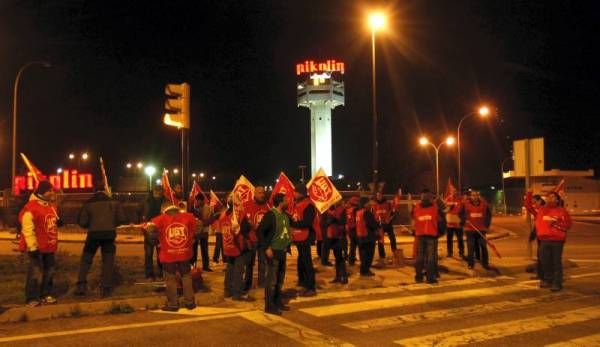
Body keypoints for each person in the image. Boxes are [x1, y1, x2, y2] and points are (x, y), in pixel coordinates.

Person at [76, 181, 126, 297]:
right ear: (106, 190)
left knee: (86, 259)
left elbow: (82, 222)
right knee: (108, 261)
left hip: (93, 234)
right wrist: (112, 223)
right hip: (109, 234)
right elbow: (122, 219)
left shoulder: (88, 203)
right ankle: (106, 288)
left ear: (94, 190)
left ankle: (81, 286)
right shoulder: (114, 202)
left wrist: (91, 224)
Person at [146, 202, 198, 311]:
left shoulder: (158, 220)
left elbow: (151, 234)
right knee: (186, 276)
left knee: (170, 278)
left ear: (163, 209)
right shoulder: (188, 217)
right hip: (184, 252)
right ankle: (190, 302)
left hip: (168, 253)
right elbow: (195, 230)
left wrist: (157, 243)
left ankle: (173, 304)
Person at [18, 181, 59, 307]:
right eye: (50, 190)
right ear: (42, 192)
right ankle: (31, 298)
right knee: (35, 272)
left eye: (52, 190)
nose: (52, 192)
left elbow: (49, 222)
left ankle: (45, 294)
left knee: (49, 271)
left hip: (49, 246)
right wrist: (32, 247)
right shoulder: (31, 207)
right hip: (37, 247)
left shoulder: (51, 206)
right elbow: (27, 229)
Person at [525, 191, 571, 291]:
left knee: (556, 262)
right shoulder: (541, 210)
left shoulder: (562, 211)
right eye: (549, 196)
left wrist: (555, 223)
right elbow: (528, 206)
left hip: (557, 240)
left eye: (553, 197)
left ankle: (557, 283)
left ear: (558, 199)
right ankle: (548, 279)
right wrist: (529, 193)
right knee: (545, 261)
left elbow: (568, 225)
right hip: (544, 240)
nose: (550, 198)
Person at [256, 193, 292, 315]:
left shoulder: (285, 215)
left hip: (282, 252)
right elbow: (260, 231)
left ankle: (277, 301)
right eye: (286, 200)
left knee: (280, 280)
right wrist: (266, 247)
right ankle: (269, 305)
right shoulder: (271, 215)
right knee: (271, 281)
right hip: (273, 252)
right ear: (280, 202)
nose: (288, 201)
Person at [219, 194, 253, 301]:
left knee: (230, 269)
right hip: (238, 246)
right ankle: (237, 293)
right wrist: (250, 223)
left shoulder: (223, 215)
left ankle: (227, 291)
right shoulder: (238, 216)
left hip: (228, 246)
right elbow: (245, 229)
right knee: (239, 270)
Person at [290, 184, 318, 297]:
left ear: (301, 193)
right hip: (298, 236)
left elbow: (307, 222)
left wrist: (292, 224)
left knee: (306, 261)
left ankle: (311, 287)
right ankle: (303, 282)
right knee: (301, 259)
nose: (294, 194)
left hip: (305, 236)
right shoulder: (298, 203)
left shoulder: (309, 205)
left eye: (295, 192)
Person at [412, 189, 446, 283]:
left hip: (420, 235)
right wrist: (440, 232)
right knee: (431, 257)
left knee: (420, 256)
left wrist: (415, 231)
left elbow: (414, 219)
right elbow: (441, 220)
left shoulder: (416, 207)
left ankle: (418, 277)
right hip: (432, 235)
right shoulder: (435, 207)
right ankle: (430, 277)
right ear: (430, 197)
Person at [242, 186, 270, 289]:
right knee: (249, 263)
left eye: (263, 193)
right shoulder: (246, 205)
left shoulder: (268, 206)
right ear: (254, 194)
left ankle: (262, 282)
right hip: (251, 239)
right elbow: (242, 223)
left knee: (263, 262)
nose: (262, 195)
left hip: (263, 240)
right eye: (259, 193)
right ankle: (247, 283)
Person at [460, 191, 492, 270]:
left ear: (479, 196)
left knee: (483, 246)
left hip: (481, 230)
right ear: (470, 196)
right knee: (471, 247)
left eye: (476, 195)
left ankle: (485, 263)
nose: (474, 197)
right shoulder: (466, 204)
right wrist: (464, 220)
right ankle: (471, 264)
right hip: (470, 229)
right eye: (473, 195)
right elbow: (461, 214)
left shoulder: (484, 204)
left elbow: (489, 215)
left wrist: (486, 225)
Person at [141, 185, 165, 280]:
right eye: (157, 193)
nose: (158, 195)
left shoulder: (165, 201)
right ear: (154, 192)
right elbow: (138, 210)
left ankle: (161, 272)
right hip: (148, 230)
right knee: (148, 253)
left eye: (160, 193)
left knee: (161, 253)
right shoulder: (146, 200)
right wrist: (142, 221)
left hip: (161, 230)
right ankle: (149, 274)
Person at [322, 203, 348, 284]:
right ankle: (338, 276)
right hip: (331, 237)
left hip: (340, 236)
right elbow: (324, 223)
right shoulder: (328, 210)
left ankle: (344, 277)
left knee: (340, 257)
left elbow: (343, 221)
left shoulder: (342, 209)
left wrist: (335, 218)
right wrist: (330, 220)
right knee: (337, 257)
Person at [191, 194, 217, 272]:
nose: (197, 202)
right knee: (194, 250)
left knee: (204, 250)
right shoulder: (193, 209)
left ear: (202, 200)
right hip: (195, 232)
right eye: (196, 200)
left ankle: (206, 266)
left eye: (198, 200)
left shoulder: (208, 208)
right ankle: (193, 265)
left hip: (204, 232)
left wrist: (205, 222)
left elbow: (212, 219)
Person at [356, 197, 379, 276]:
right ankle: (366, 271)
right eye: (368, 203)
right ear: (365, 204)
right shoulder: (367, 213)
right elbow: (373, 225)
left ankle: (362, 270)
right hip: (368, 237)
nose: (370, 204)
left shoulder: (358, 212)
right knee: (369, 255)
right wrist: (378, 223)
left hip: (360, 237)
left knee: (363, 255)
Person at [373, 191, 397, 260]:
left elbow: (393, 213)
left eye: (380, 195)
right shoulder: (374, 205)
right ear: (376, 197)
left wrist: (390, 219)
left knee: (392, 238)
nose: (379, 197)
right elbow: (373, 215)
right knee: (380, 241)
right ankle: (382, 256)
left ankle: (395, 252)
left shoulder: (388, 204)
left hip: (388, 224)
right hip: (380, 225)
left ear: (382, 195)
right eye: (377, 195)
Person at [527, 194, 546, 280]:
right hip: (540, 236)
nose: (534, 204)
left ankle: (545, 275)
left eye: (535, 202)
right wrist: (529, 193)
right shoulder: (537, 211)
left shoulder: (545, 210)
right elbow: (528, 206)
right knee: (540, 256)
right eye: (533, 202)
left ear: (539, 201)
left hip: (546, 237)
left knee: (544, 256)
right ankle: (541, 275)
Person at [444, 189, 465, 259]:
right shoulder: (447, 199)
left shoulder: (460, 200)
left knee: (460, 239)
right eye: (453, 191)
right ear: (451, 192)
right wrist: (449, 207)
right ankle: (449, 252)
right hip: (449, 223)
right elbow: (444, 209)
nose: (454, 193)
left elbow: (463, 210)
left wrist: (462, 220)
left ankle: (461, 253)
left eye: (456, 191)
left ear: (457, 192)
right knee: (449, 239)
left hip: (458, 223)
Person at [345, 196, 359, 266]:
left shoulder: (348, 210)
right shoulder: (355, 210)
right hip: (356, 229)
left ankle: (351, 260)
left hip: (350, 230)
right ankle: (363, 261)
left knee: (352, 246)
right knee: (360, 246)